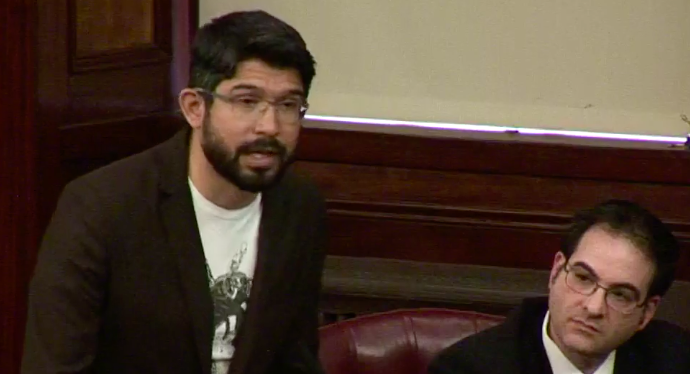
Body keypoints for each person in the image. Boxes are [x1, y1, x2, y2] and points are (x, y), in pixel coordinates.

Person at [22, 10, 327, 374]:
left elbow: (297, 360)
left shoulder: (300, 207)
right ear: (195, 108)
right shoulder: (101, 208)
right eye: (247, 101)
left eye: (288, 105)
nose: (269, 126)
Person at [428, 199, 690, 374]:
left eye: (620, 295)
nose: (593, 307)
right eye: (583, 278)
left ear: (645, 313)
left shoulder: (676, 360)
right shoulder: (468, 369)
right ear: (556, 272)